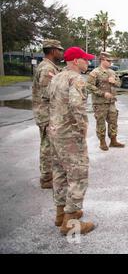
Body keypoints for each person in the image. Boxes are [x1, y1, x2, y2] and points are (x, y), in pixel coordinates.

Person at [48, 47, 96, 235]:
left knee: (59, 173)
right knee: (78, 175)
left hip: (55, 132)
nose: (87, 62)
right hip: (69, 134)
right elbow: (77, 105)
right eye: (85, 59)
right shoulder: (76, 79)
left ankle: (61, 214)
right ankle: (70, 222)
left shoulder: (57, 77)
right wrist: (83, 128)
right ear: (76, 61)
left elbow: (49, 101)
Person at [31, 39, 64, 189]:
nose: (61, 53)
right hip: (47, 114)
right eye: (59, 50)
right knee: (47, 147)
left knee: (50, 145)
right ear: (52, 51)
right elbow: (47, 93)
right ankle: (46, 179)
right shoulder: (46, 69)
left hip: (49, 113)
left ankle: (50, 175)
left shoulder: (50, 67)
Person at [87, 51, 125, 151]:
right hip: (100, 103)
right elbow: (89, 86)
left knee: (113, 121)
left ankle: (113, 140)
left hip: (111, 102)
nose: (110, 63)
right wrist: (103, 93)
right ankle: (102, 142)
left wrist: (114, 81)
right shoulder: (95, 72)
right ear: (102, 59)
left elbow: (119, 84)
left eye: (111, 61)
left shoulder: (112, 72)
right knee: (101, 122)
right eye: (108, 61)